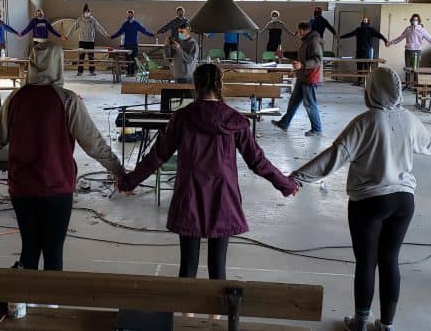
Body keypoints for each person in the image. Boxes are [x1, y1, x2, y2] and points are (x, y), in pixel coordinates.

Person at [290, 67, 431, 331]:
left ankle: (360, 322)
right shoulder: (409, 120)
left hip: (369, 202)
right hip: (403, 202)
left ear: (371, 90)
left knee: (366, 262)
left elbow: (333, 157)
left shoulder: (365, 123)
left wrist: (297, 178)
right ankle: (387, 324)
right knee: (390, 260)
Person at [120, 64, 299, 281]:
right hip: (223, 195)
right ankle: (215, 314)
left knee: (187, 266)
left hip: (189, 193)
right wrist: (286, 184)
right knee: (218, 267)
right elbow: (257, 161)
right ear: (220, 85)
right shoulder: (235, 120)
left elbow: (157, 156)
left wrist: (128, 182)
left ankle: (187, 313)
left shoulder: (182, 117)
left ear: (196, 86)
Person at [0, 42, 124, 271]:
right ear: (58, 64)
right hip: (57, 188)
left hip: (22, 188)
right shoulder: (68, 100)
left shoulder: (16, 99)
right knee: (54, 253)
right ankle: (50, 304)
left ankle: (24, 303)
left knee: (29, 249)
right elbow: (93, 144)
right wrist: (119, 171)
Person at [272, 22, 323, 137]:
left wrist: (302, 65)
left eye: (299, 31)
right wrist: (283, 54)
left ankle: (317, 129)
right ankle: (284, 123)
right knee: (294, 101)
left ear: (304, 30)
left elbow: (317, 60)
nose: (297, 33)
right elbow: (298, 55)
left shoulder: (314, 41)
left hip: (309, 78)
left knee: (310, 104)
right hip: (302, 77)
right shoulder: (307, 40)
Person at [387, 14, 431, 87]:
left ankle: (415, 85)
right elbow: (400, 38)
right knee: (407, 68)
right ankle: (407, 85)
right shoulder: (408, 29)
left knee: (416, 69)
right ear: (411, 20)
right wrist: (391, 42)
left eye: (416, 20)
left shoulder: (422, 30)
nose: (415, 21)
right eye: (414, 20)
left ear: (419, 21)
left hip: (417, 51)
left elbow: (430, 38)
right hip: (408, 50)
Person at [339, 16, 387, 86]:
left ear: (368, 22)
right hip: (359, 51)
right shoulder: (358, 29)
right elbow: (350, 34)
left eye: (365, 20)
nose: (364, 21)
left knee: (367, 67)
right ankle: (359, 81)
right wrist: (340, 37)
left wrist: (385, 40)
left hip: (367, 52)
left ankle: (368, 82)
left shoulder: (371, 30)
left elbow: (379, 35)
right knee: (359, 67)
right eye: (363, 20)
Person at [67, 4, 108, 76]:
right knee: (81, 57)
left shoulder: (93, 20)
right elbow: (73, 28)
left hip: (90, 41)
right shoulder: (79, 20)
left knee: (91, 57)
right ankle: (80, 71)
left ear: (90, 12)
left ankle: (92, 70)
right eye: (86, 11)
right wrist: (67, 36)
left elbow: (99, 27)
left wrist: (106, 34)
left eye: (88, 12)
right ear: (83, 12)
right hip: (82, 41)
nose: (87, 13)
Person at [111, 10, 155, 77]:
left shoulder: (136, 23)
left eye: (130, 14)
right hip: (127, 45)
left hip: (134, 44)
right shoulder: (125, 23)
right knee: (128, 59)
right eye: (128, 15)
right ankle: (128, 72)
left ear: (133, 15)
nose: (129, 16)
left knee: (134, 59)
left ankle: (133, 72)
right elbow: (119, 32)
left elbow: (144, 31)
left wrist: (152, 35)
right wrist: (112, 36)